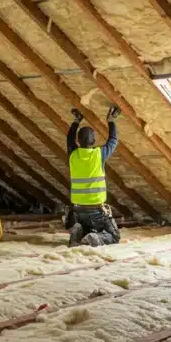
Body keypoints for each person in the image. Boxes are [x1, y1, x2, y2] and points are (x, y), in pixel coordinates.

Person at [64, 106, 122, 247]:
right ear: (94, 141)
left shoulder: (73, 154)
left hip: (78, 210)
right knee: (114, 236)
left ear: (78, 141)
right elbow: (113, 140)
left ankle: (79, 230)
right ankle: (93, 238)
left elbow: (69, 138)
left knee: (88, 226)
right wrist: (111, 120)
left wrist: (76, 121)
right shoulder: (98, 155)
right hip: (97, 210)